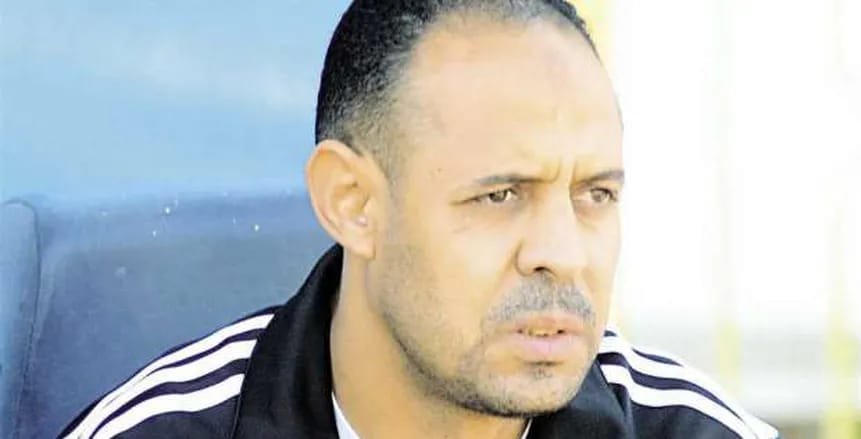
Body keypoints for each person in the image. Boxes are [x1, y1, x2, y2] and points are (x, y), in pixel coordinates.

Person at [62, 1, 780, 438]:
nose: (562, 252)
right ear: (352, 202)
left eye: (594, 194)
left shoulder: (689, 429)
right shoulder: (162, 429)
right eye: (501, 195)